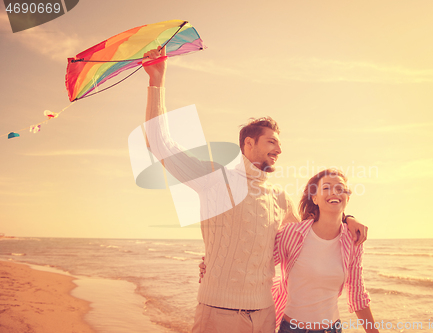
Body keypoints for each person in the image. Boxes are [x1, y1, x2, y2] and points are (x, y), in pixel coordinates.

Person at [142, 46, 368, 333]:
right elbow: (159, 144)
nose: (279, 149)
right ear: (249, 144)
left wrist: (348, 219)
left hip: (264, 315)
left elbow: (312, 237)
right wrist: (156, 82)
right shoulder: (213, 178)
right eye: (271, 142)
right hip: (218, 312)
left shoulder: (278, 198)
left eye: (279, 143)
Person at [273, 169, 379, 333]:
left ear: (347, 198)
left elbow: (358, 295)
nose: (334, 192)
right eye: (326, 188)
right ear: (314, 198)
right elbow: (259, 264)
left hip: (332, 329)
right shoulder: (292, 234)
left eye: (340, 188)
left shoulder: (353, 241)